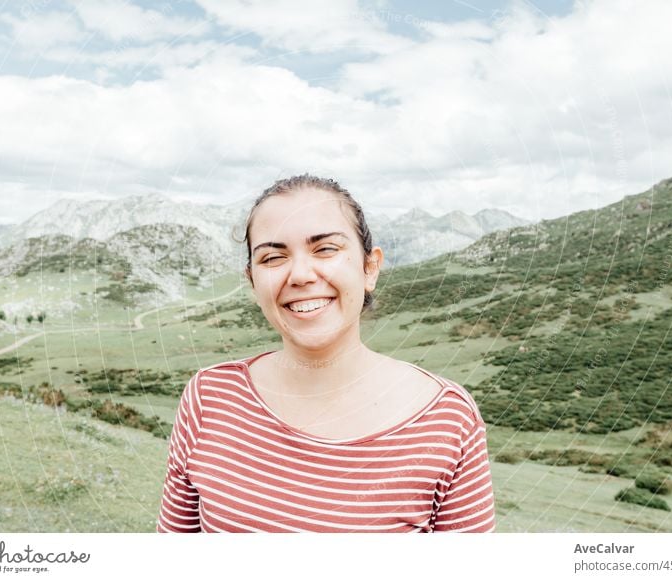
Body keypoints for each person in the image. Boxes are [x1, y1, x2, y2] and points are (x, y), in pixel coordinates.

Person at [156, 175, 495, 533]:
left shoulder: (448, 420)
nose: (301, 275)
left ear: (370, 268)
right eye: (272, 257)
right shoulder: (209, 398)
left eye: (326, 249)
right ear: (253, 282)